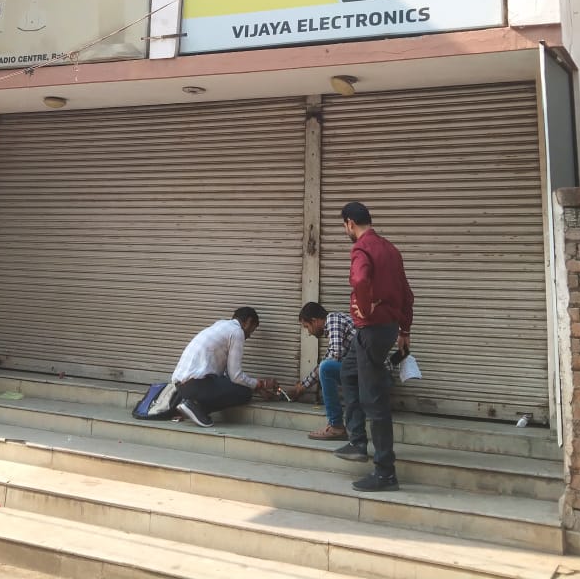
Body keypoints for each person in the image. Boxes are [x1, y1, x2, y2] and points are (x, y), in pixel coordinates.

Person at [334, 201, 413, 492]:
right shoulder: (390, 250)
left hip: (372, 330)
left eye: (345, 226)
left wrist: (365, 308)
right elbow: (407, 294)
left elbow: (360, 279)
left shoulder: (361, 249)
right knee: (348, 371)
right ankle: (357, 441)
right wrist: (404, 330)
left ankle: (385, 472)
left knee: (374, 400)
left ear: (350, 223)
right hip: (384, 329)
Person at [172, 307, 277, 427]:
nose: (249, 336)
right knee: (244, 393)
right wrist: (261, 384)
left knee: (236, 386)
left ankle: (190, 406)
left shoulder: (221, 325)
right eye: (251, 331)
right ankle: (197, 408)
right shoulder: (237, 332)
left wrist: (256, 387)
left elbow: (228, 374)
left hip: (182, 388)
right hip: (196, 385)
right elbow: (236, 376)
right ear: (248, 322)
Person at [286, 302, 354, 440]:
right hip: (363, 369)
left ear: (314, 321)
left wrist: (303, 386)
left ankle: (336, 426)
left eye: (307, 327)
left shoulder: (333, 319)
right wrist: (302, 387)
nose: (309, 332)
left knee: (326, 368)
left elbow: (334, 356)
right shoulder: (335, 323)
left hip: (369, 371)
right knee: (326, 366)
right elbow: (329, 359)